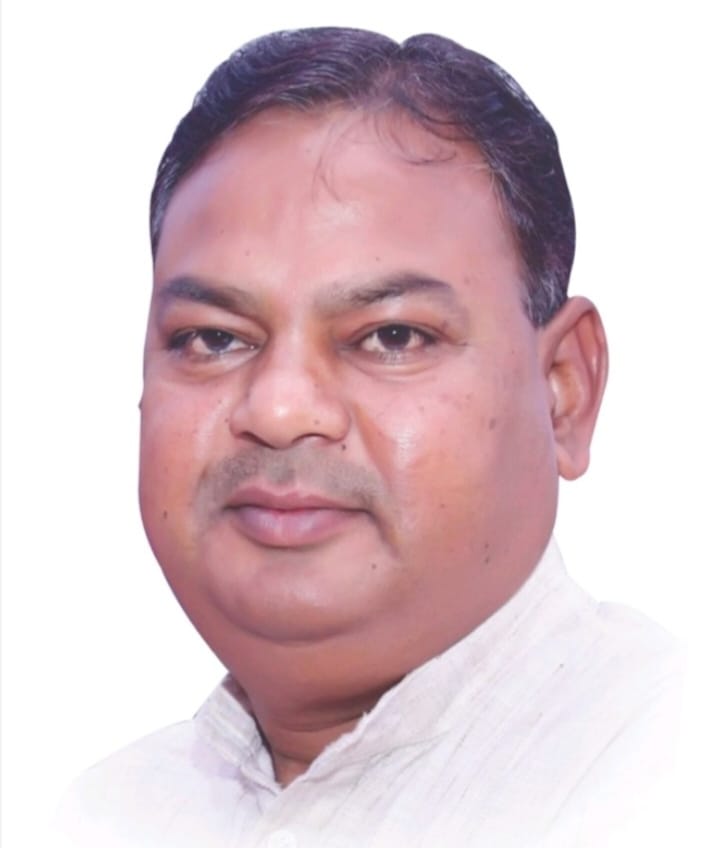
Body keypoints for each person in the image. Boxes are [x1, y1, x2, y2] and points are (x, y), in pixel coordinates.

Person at [57, 26, 683, 847]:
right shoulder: (97, 816)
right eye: (214, 338)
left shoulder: (665, 778)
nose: (280, 409)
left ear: (565, 391)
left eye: (391, 337)